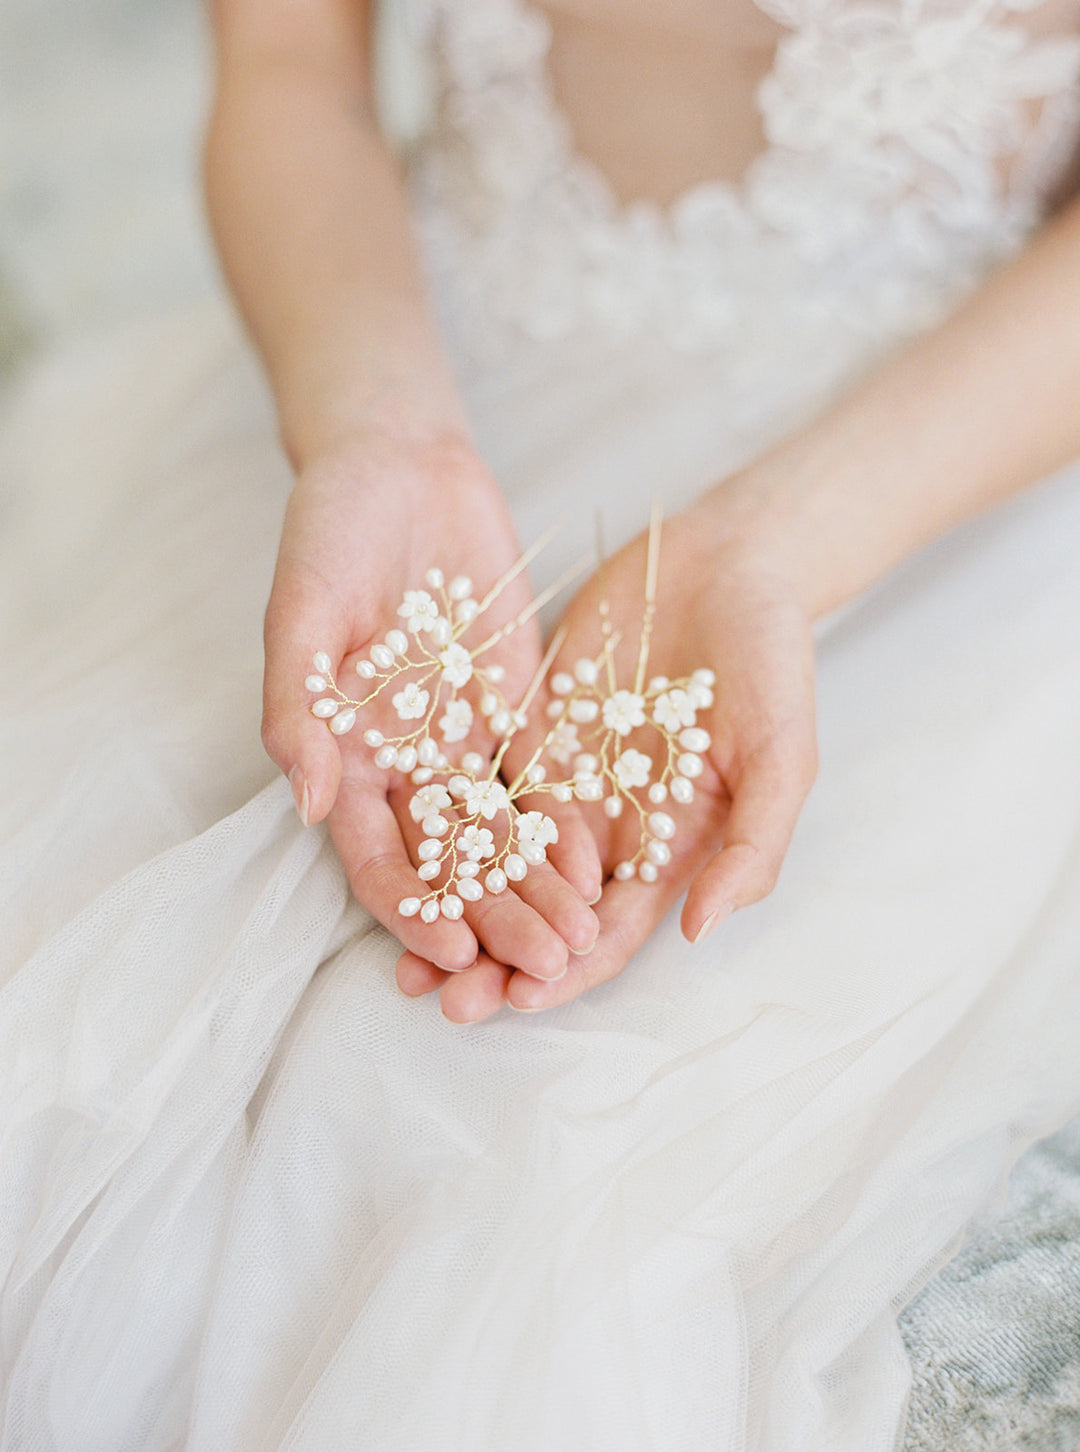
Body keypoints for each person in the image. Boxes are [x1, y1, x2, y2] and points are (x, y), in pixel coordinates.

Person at [2, 0, 1080, 1447]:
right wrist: (375, 433)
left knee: (505, 1181)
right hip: (414, 362)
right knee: (74, 1008)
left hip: (941, 460)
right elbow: (284, 64)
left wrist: (771, 546)